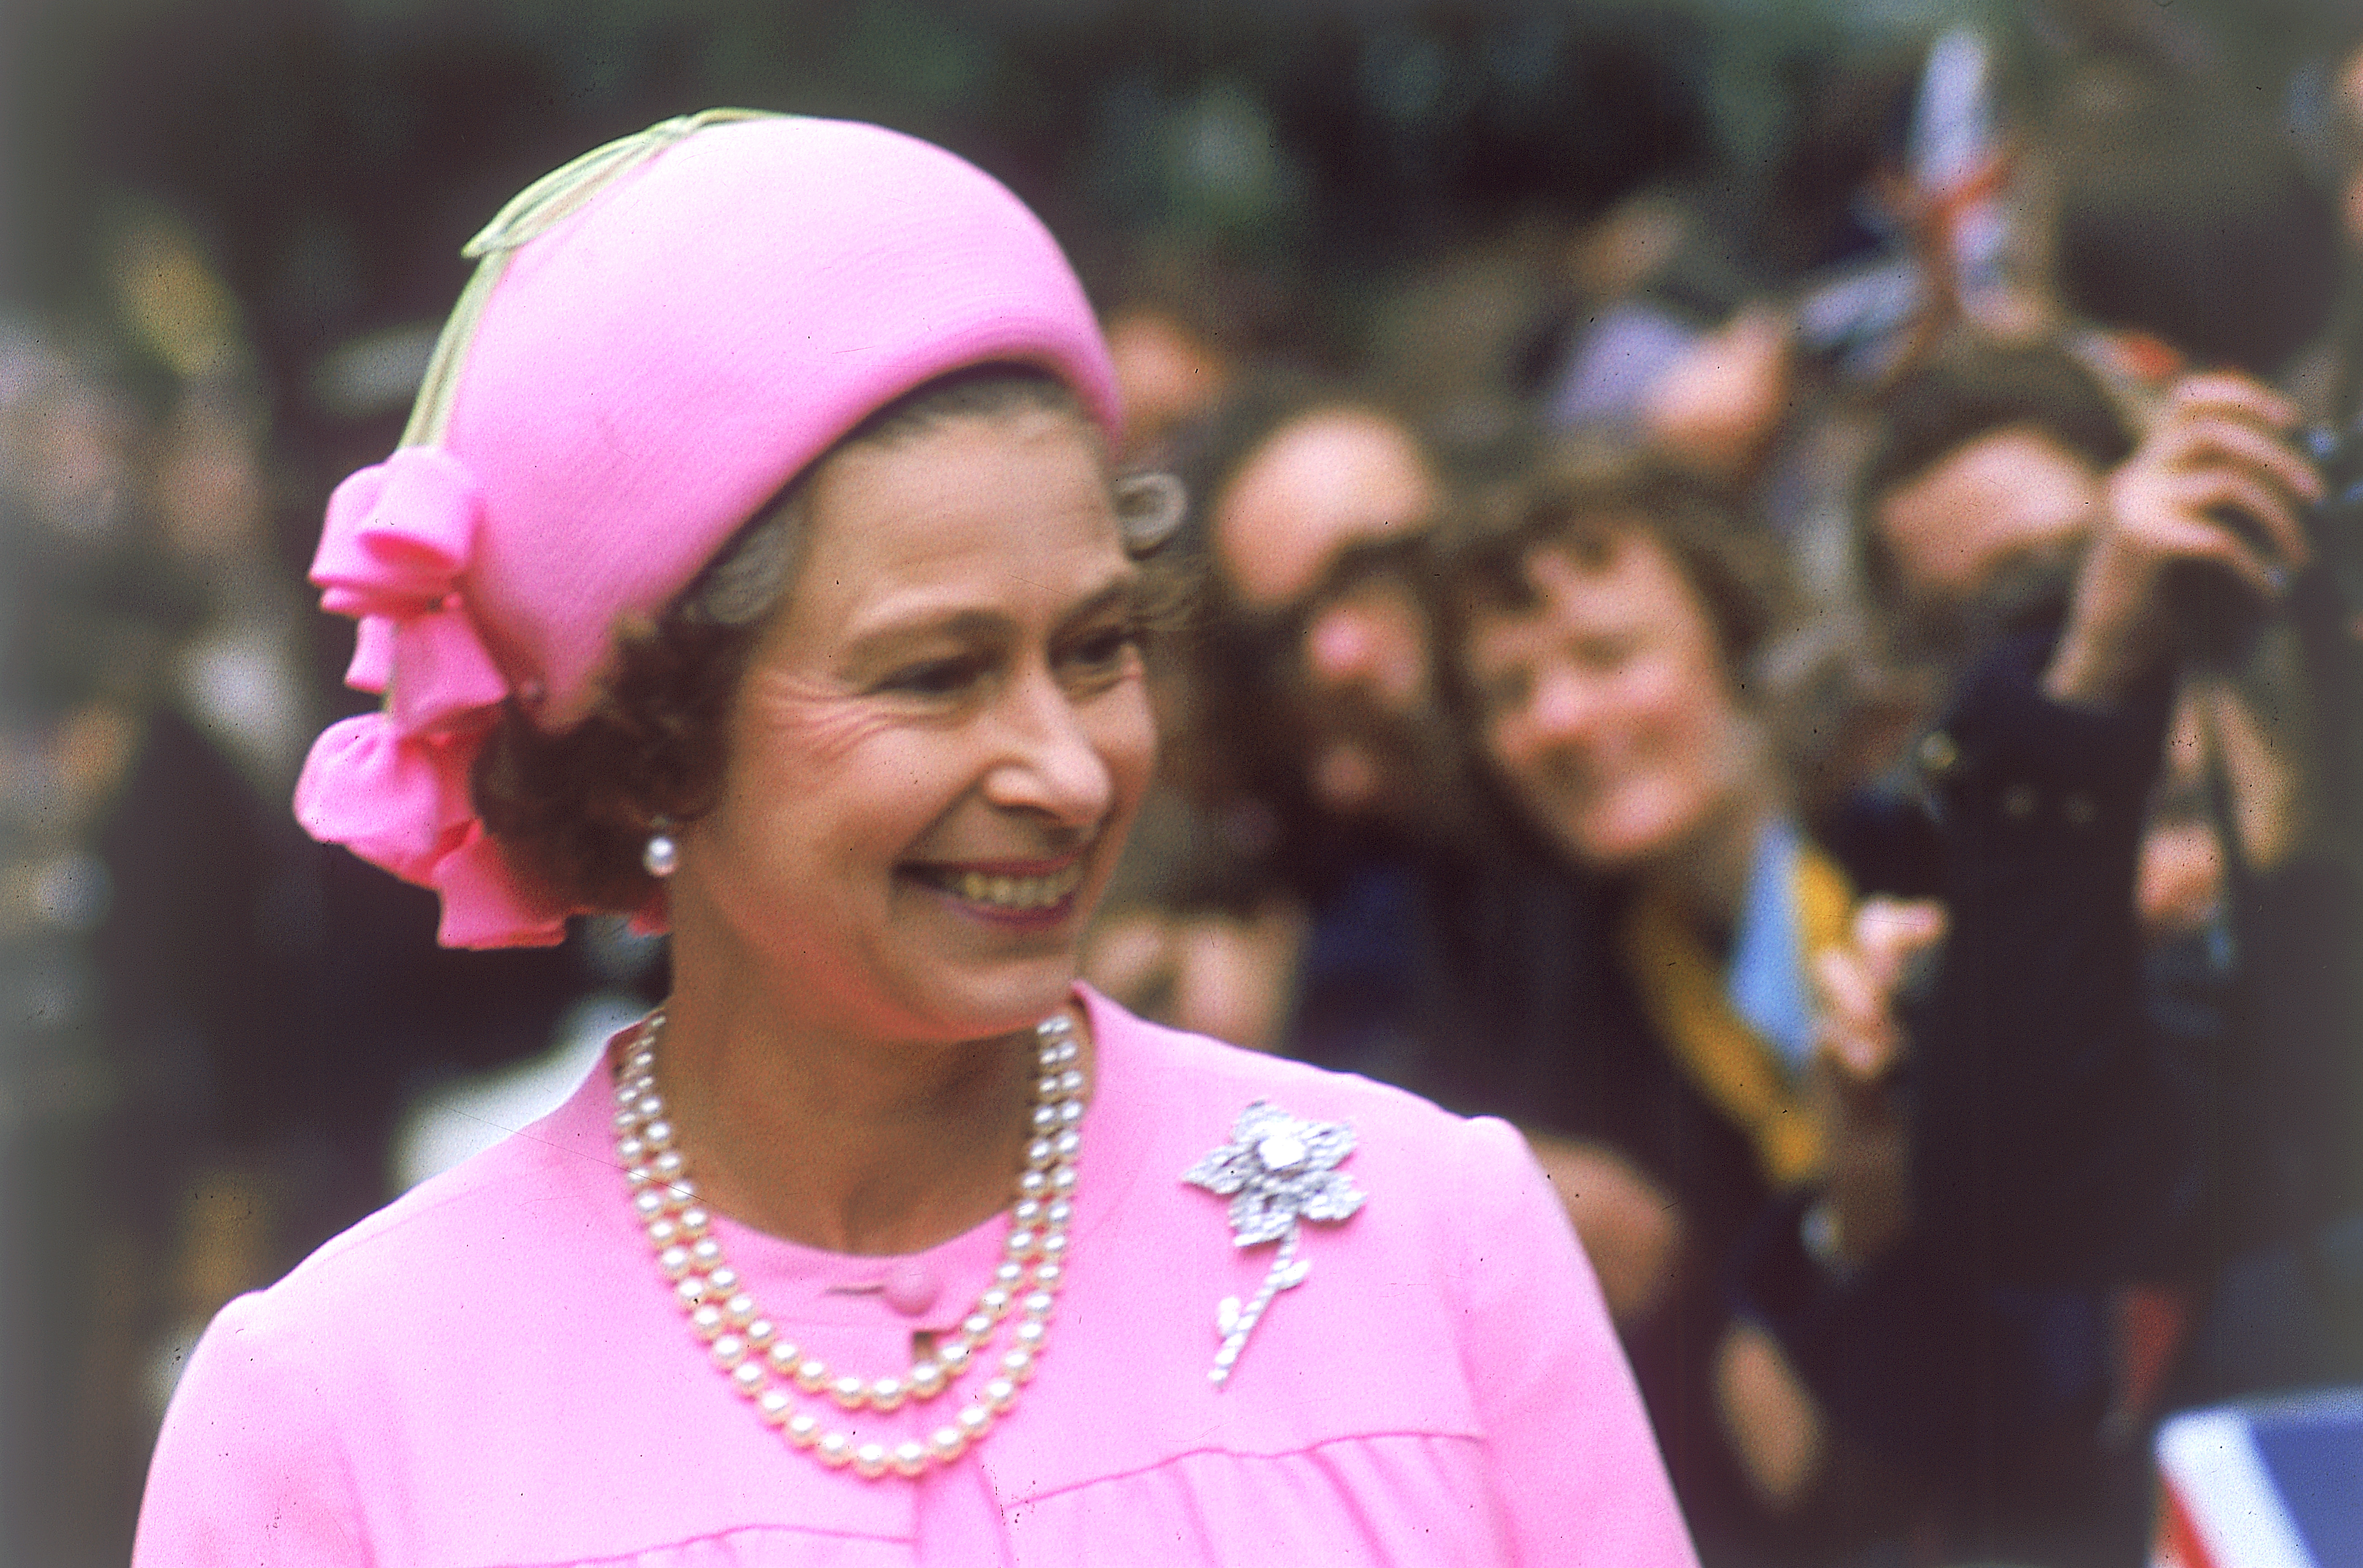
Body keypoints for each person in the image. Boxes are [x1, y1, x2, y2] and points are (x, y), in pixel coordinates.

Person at [130, 111, 1695, 1566]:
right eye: (937, 675)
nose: (1070, 770)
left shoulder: (1436, 1238)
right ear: (653, 744)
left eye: (1095, 649)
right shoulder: (343, 1413)